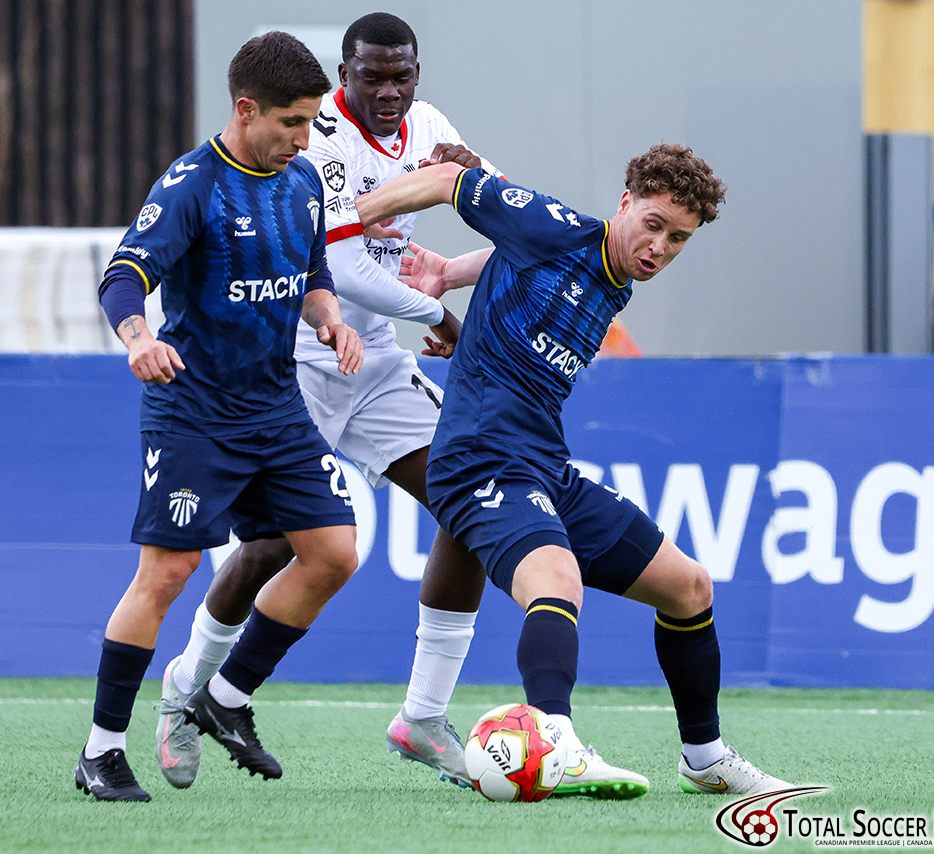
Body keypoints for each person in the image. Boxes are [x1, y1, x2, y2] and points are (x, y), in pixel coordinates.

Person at [152, 12, 648, 800]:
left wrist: (456, 246)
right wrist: (439, 314)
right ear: (344, 75)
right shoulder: (318, 138)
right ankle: (188, 691)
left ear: (418, 73)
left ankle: (421, 716)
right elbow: (343, 268)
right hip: (295, 359)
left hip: (376, 364)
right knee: (275, 545)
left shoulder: (432, 127)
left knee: (468, 496)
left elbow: (514, 221)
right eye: (372, 76)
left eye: (402, 76)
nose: (389, 91)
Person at [355, 143, 792, 795]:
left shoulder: (613, 278)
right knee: (556, 579)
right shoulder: (553, 224)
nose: (660, 247)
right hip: (478, 456)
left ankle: (704, 758)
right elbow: (448, 179)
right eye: (653, 225)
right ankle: (555, 742)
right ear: (625, 203)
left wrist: (449, 272)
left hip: (542, 465)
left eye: (678, 238)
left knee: (690, 587)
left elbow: (520, 262)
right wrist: (339, 221)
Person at [75, 31, 364, 802]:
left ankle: (223, 696)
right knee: (167, 573)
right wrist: (138, 338)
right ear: (246, 109)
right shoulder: (192, 185)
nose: (303, 138)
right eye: (291, 122)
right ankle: (101, 751)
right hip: (194, 410)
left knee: (334, 554)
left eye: (310, 122)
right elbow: (123, 274)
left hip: (275, 405)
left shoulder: (303, 181)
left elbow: (313, 273)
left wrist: (331, 320)